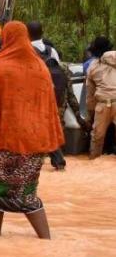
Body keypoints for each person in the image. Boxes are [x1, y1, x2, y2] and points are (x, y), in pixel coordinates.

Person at [0, 21, 64, 240]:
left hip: (0, 141)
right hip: (32, 143)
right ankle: (46, 240)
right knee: (27, 192)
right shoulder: (39, 66)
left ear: (5, 38)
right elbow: (49, 105)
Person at [28, 21, 90, 170]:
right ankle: (58, 161)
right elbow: (62, 73)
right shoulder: (52, 51)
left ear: (26, 33)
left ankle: (37, 161)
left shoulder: (26, 50)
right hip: (56, 97)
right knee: (53, 129)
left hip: (35, 98)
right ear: (42, 32)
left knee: (35, 129)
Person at [86, 49, 116, 159]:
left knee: (97, 135)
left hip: (102, 104)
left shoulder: (93, 68)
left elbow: (90, 93)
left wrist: (90, 112)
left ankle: (94, 158)